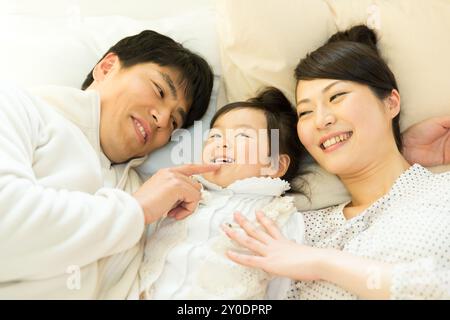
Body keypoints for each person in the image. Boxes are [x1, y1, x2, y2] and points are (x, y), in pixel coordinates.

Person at [222, 25, 450, 299]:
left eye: (337, 96)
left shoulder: (442, 193)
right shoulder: (294, 227)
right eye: (306, 111)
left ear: (390, 103)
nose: (321, 120)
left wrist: (323, 264)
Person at [0, 30, 218, 299]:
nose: (162, 119)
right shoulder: (17, 107)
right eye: (159, 90)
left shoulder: (144, 189)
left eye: (174, 122)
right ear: (107, 67)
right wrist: (138, 209)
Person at [139, 88, 306, 299]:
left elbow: (284, 290)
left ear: (274, 163)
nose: (221, 143)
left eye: (243, 135)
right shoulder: (180, 195)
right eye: (215, 136)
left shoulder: (280, 218)